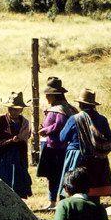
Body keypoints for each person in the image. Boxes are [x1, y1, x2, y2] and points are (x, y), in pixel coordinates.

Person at [57, 89, 111, 202]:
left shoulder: (75, 119)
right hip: (97, 157)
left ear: (80, 104)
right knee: (94, 185)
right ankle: (94, 204)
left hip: (78, 155)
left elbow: (63, 137)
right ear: (93, 105)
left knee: (74, 182)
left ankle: (73, 203)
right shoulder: (102, 119)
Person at [37, 77, 78, 209]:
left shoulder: (60, 109)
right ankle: (52, 201)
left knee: (58, 175)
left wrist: (45, 130)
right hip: (50, 146)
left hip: (57, 148)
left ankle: (60, 201)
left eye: (48, 95)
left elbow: (60, 126)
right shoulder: (59, 108)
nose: (46, 97)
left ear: (54, 95)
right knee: (52, 176)